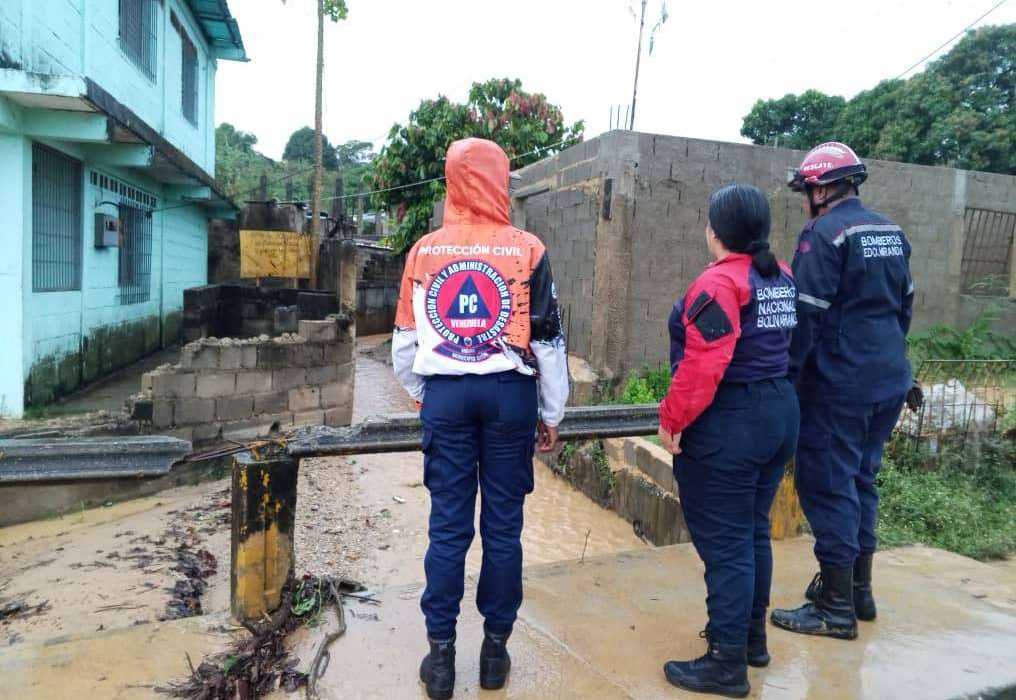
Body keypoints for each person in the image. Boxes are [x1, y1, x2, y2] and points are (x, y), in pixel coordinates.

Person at [392, 137, 569, 700]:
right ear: (500, 181)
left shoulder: (423, 253)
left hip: (446, 396)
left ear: (450, 181)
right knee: (503, 529)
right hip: (509, 399)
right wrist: (552, 412)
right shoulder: (529, 250)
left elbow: (402, 345)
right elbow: (549, 342)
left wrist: (427, 395)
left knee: (447, 528)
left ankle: (440, 660)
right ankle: (495, 654)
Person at [771, 142, 920, 640]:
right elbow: (904, 309)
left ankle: (834, 610)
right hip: (889, 378)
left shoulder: (824, 233)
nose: (804, 201)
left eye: (806, 191)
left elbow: (806, 314)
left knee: (828, 484)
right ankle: (859, 591)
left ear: (820, 188)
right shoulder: (891, 232)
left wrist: (788, 379)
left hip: (841, 384)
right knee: (861, 478)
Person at [658, 184, 800, 698]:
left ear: (714, 230)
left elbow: (703, 365)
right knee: (752, 533)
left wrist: (672, 420)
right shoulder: (780, 275)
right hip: (779, 413)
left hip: (731, 422)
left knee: (727, 547)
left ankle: (725, 663)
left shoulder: (717, 285)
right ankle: (751, 642)